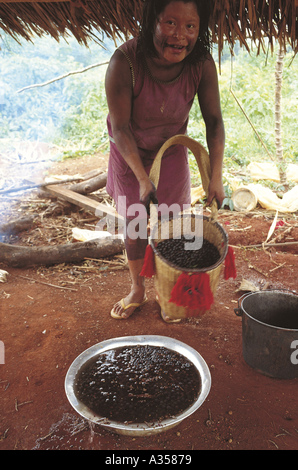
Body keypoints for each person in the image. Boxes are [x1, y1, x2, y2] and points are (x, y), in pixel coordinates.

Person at [105, 0, 225, 320]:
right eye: (170, 23)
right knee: (135, 223)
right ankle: (137, 289)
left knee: (175, 223)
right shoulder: (125, 62)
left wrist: (216, 177)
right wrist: (143, 179)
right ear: (152, 20)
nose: (179, 36)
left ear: (199, 31)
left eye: (190, 27)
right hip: (129, 149)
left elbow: (214, 122)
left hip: (171, 150)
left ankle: (171, 288)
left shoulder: (201, 63)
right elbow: (119, 127)